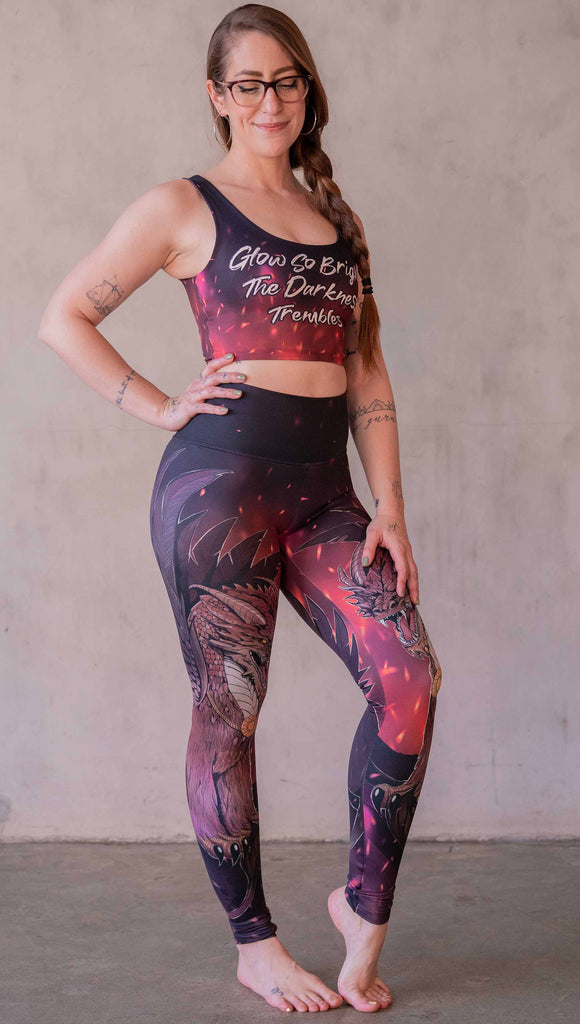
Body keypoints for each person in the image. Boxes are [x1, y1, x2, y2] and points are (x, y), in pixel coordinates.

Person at [38, 3, 442, 1015]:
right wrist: (156, 405)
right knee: (231, 709)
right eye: (249, 84)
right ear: (218, 97)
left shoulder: (336, 220)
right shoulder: (183, 205)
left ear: (307, 90)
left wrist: (389, 507)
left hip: (324, 496)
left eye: (287, 80)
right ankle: (254, 944)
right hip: (216, 491)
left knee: (409, 678)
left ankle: (362, 903)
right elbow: (65, 316)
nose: (271, 100)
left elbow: (366, 373)